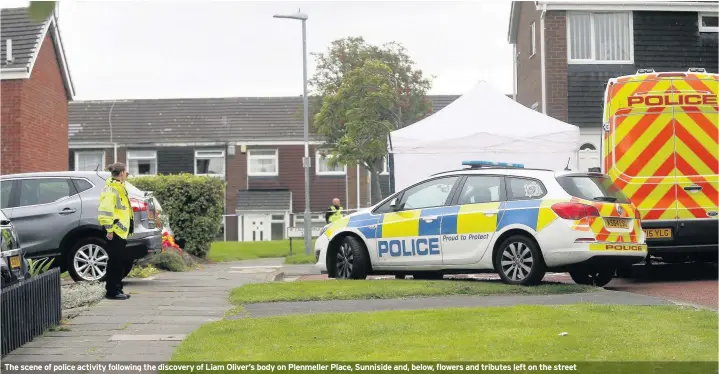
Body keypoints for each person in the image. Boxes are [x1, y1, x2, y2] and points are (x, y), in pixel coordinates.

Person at [98, 162, 134, 300]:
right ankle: (112, 291)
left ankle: (117, 289)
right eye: (126, 172)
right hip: (114, 230)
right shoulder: (111, 189)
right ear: (122, 173)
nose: (127, 174)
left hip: (119, 230)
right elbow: (105, 211)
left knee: (118, 262)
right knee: (115, 262)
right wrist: (109, 229)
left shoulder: (119, 187)